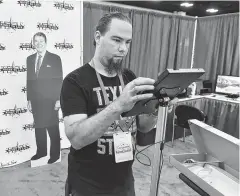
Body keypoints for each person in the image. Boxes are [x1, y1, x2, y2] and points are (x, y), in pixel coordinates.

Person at [60, 12, 175, 196]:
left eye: (127, 42)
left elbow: (143, 127)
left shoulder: (129, 77)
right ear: (98, 37)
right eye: (117, 40)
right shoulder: (75, 81)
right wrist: (118, 106)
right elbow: (76, 139)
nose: (123, 49)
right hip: (87, 184)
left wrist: (155, 109)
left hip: (125, 182)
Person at [26, 32, 63, 164]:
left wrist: (59, 100)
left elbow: (59, 80)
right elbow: (29, 81)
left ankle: (55, 155)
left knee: (53, 127)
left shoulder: (55, 58)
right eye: (36, 41)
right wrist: (29, 99)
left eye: (41, 41)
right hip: (36, 100)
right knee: (39, 127)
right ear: (33, 43)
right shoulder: (29, 59)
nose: (39, 44)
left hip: (51, 100)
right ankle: (41, 152)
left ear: (46, 43)